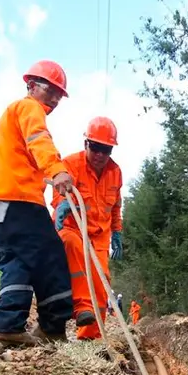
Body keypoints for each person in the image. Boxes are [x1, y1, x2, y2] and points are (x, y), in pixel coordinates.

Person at [0, 60, 75, 346]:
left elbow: (27, 151)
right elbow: (39, 140)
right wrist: (57, 170)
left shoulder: (14, 114)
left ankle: (7, 324)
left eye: (60, 94)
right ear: (31, 86)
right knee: (51, 256)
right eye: (51, 90)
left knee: (19, 260)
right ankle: (53, 327)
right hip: (17, 200)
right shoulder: (29, 107)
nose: (55, 98)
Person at [52, 116, 124, 341]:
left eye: (106, 149)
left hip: (100, 236)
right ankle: (82, 306)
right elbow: (57, 192)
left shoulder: (116, 172)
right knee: (71, 245)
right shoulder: (71, 164)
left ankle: (90, 337)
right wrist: (61, 204)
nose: (101, 154)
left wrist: (117, 231)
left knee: (102, 282)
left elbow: (116, 205)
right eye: (96, 147)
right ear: (86, 144)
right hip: (73, 228)